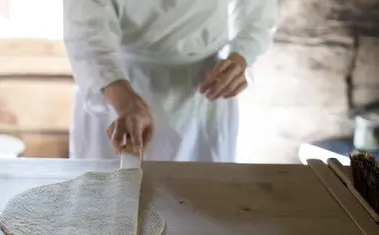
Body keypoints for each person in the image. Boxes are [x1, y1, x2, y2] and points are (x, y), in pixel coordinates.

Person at [63, 0, 277, 161]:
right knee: (108, 209)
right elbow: (85, 34)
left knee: (203, 209)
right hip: (116, 89)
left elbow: (258, 14)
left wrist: (238, 60)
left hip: (203, 95)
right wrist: (124, 99)